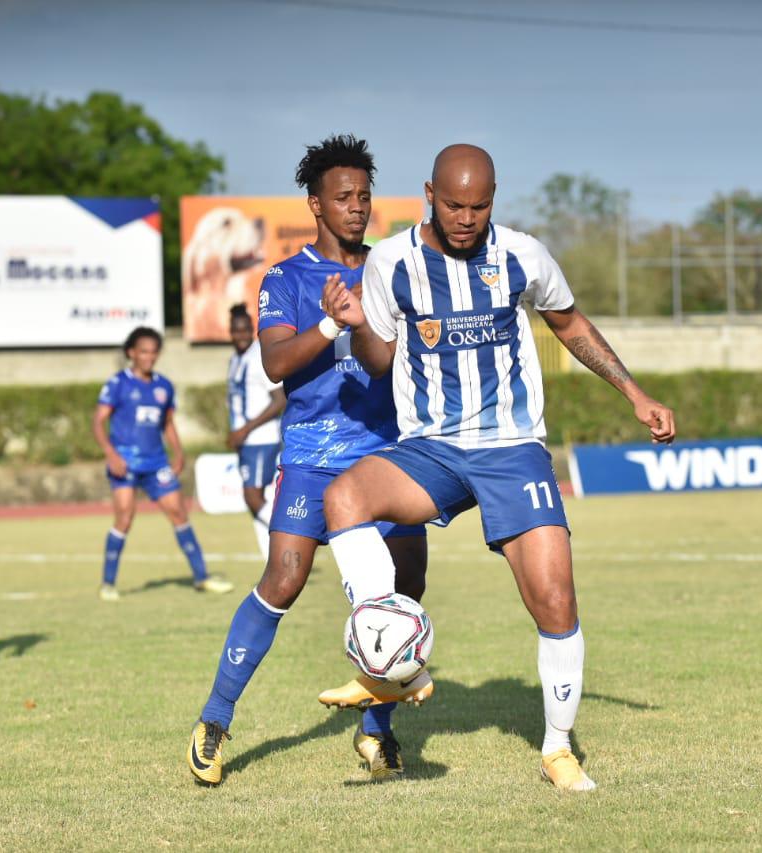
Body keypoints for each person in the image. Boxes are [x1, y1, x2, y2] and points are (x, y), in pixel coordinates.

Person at [319, 144, 677, 791]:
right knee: (344, 496)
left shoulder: (521, 254)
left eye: (478, 206)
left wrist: (635, 392)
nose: (465, 217)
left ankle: (559, 748)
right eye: (454, 204)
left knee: (556, 596)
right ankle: (388, 659)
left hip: (512, 447)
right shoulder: (391, 263)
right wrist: (353, 325)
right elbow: (376, 358)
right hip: (429, 446)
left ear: (494, 199)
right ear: (429, 193)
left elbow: (569, 323)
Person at [188, 135, 430, 788]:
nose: (357, 207)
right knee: (284, 580)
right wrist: (329, 325)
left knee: (406, 589)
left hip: (387, 462)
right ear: (315, 204)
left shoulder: (391, 270)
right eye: (344, 197)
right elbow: (273, 363)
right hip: (313, 459)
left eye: (364, 196)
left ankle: (377, 732)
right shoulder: (285, 279)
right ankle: (215, 717)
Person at [92, 327, 233, 600]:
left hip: (156, 463)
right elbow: (98, 422)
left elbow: (167, 424)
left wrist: (178, 453)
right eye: (143, 351)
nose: (149, 356)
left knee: (179, 513)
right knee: (124, 517)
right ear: (131, 353)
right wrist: (111, 454)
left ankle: (201, 577)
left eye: (154, 351)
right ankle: (108, 584)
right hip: (125, 462)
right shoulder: (117, 384)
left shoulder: (163, 386)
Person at [225, 304, 286, 562]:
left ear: (252, 330)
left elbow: (279, 400)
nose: (239, 335)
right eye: (235, 330)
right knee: (256, 501)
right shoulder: (235, 360)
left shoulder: (258, 357)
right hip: (246, 441)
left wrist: (245, 430)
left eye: (244, 330)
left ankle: (293, 536)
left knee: (252, 498)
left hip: (261, 438)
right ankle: (272, 562)